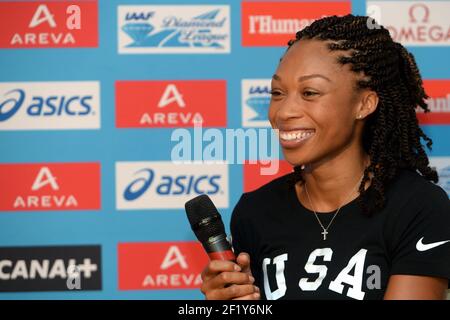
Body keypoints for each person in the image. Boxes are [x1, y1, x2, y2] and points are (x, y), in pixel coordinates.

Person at [200, 14, 450, 300]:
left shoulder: (417, 208)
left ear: (364, 104)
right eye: (278, 92)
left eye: (309, 92)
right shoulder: (254, 212)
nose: (283, 112)